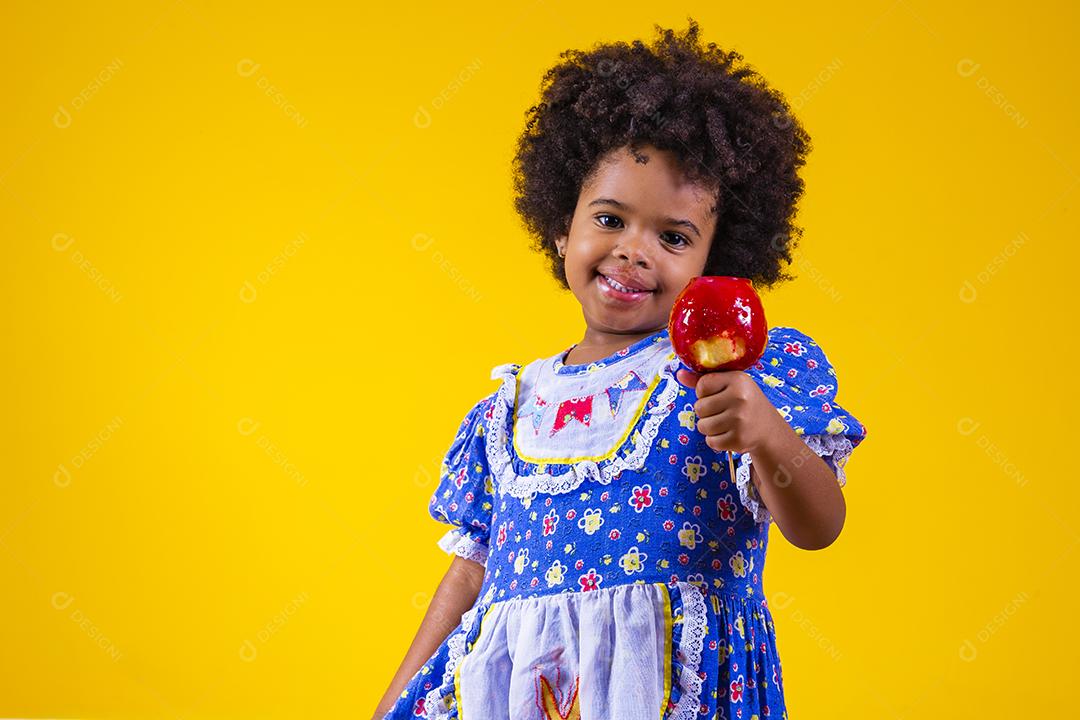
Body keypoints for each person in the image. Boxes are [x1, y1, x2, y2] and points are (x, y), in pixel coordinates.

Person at [374, 18, 868, 720]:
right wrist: (393, 699)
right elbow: (471, 572)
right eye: (609, 220)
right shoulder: (505, 412)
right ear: (560, 228)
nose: (634, 251)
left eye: (672, 236)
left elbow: (819, 526)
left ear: (713, 262)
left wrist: (765, 433)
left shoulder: (730, 377)